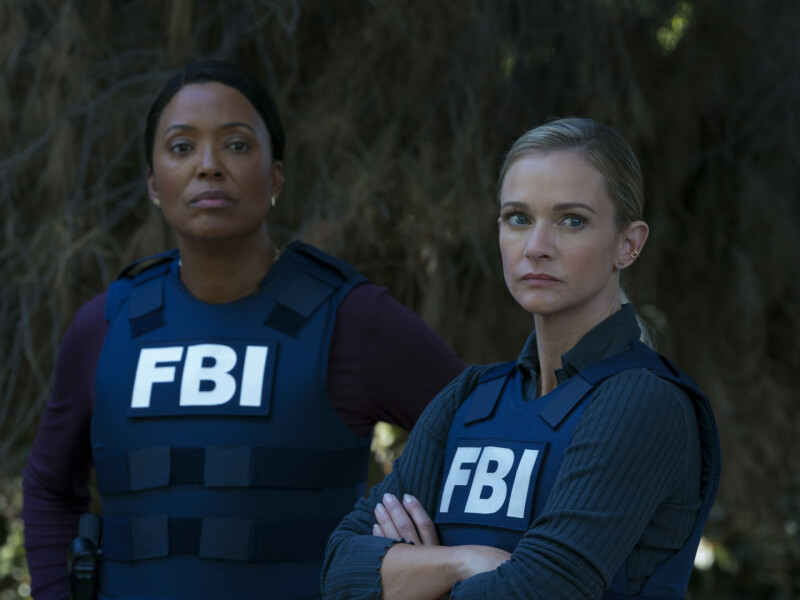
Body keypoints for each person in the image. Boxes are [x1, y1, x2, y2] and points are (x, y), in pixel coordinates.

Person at [21, 59, 466, 600]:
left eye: (236, 145)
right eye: (182, 147)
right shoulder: (105, 326)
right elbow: (49, 486)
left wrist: (432, 564)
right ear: (153, 182)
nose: (209, 166)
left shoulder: (352, 320)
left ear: (275, 176)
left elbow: (496, 447)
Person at [321, 117, 721, 600]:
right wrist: (464, 562)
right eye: (518, 218)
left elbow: (539, 590)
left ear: (628, 244)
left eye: (572, 220)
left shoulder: (643, 401)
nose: (536, 248)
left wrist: (413, 576)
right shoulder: (469, 397)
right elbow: (340, 572)